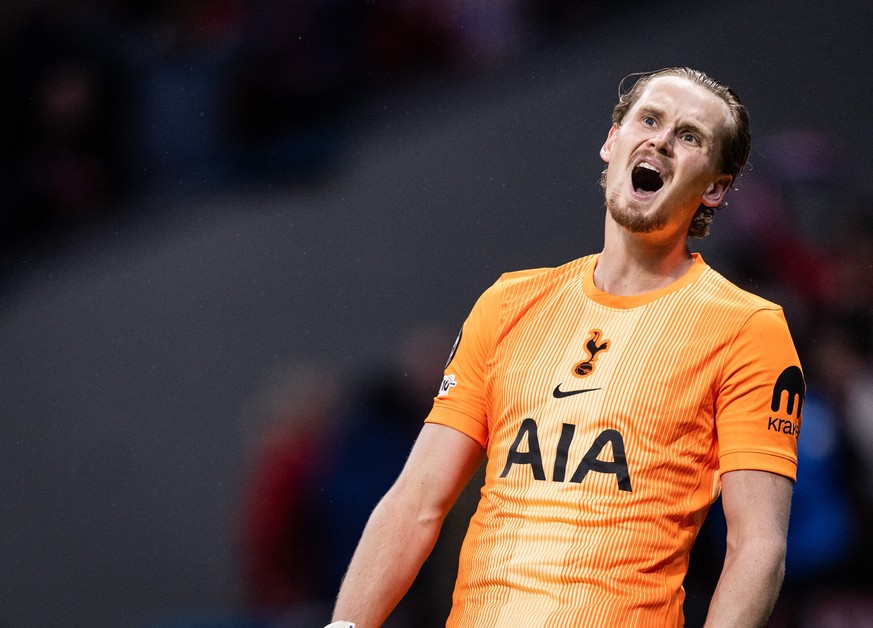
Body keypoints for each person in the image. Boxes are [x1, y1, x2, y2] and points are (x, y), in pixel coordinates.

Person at [326, 67, 805, 628]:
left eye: (690, 136)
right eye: (649, 120)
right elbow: (416, 501)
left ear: (715, 187)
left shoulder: (747, 328)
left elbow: (757, 546)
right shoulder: (508, 303)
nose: (661, 141)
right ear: (612, 140)